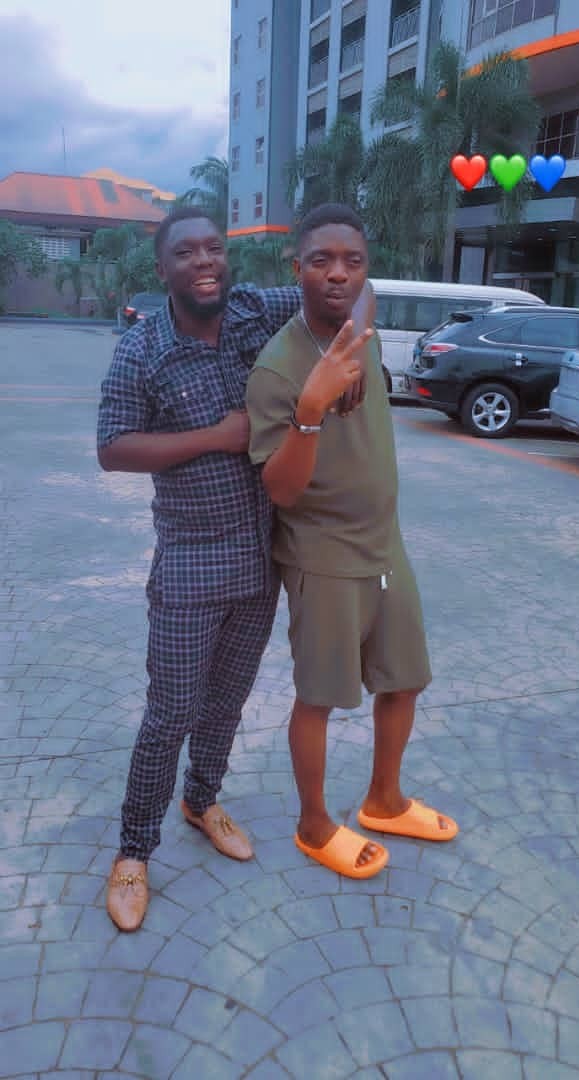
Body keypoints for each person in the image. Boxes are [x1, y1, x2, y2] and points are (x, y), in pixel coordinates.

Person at [96, 206, 372, 930]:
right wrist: (214, 437)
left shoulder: (252, 310)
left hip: (261, 557)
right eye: (186, 253)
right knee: (170, 714)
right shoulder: (142, 350)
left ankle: (202, 800)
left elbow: (351, 287)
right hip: (190, 561)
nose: (204, 263)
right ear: (163, 269)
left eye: (213, 249)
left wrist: (350, 356)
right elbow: (112, 447)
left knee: (226, 704)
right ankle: (133, 851)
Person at [246, 203, 458, 879]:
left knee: (405, 680)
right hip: (323, 556)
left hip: (384, 544)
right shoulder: (277, 370)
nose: (338, 274)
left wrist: (358, 344)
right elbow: (281, 491)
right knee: (320, 697)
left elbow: (362, 300)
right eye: (321, 261)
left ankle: (384, 801)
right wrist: (310, 409)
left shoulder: (360, 328)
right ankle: (313, 825)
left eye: (352, 262)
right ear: (296, 269)